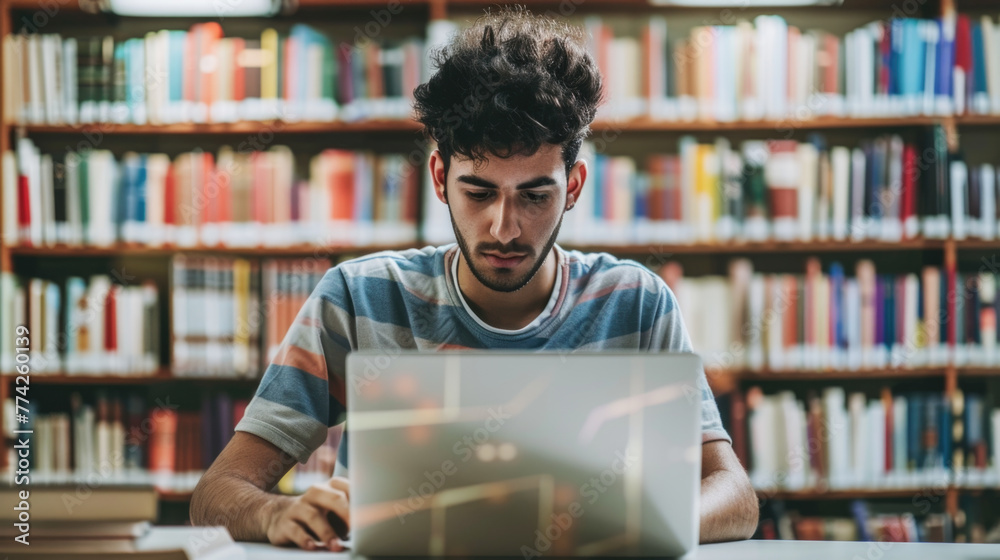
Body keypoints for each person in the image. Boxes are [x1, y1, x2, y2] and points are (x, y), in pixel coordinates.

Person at [190, 7, 759, 550]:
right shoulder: (359, 296)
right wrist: (276, 512)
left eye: (535, 196)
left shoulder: (634, 303)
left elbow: (735, 495)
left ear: (575, 186)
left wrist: (647, 523)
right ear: (439, 176)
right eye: (478, 192)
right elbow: (216, 494)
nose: (504, 228)